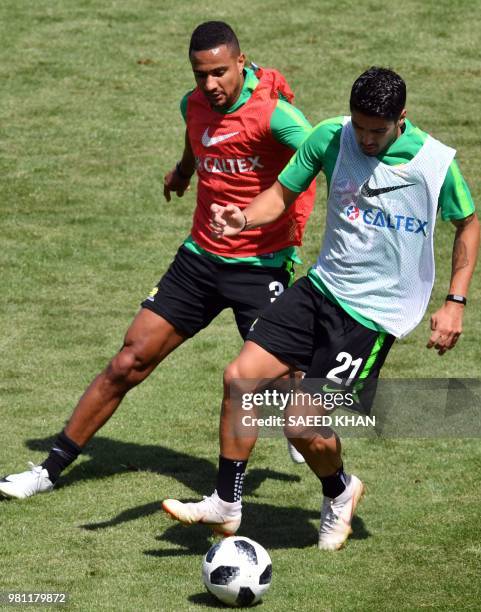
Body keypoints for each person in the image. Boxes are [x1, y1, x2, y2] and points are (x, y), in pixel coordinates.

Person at [162, 67, 479, 551]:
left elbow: (468, 224)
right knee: (239, 378)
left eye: (378, 130)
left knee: (301, 423)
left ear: (401, 120)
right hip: (322, 288)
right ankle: (226, 503)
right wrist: (244, 216)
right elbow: (283, 194)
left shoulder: (434, 163)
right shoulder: (331, 136)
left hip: (373, 315)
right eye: (360, 127)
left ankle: (339, 491)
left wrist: (454, 301)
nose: (366, 139)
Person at [0, 21, 315, 499]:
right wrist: (183, 173)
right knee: (129, 361)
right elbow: (199, 139)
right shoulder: (193, 104)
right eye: (200, 74)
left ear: (241, 62)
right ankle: (47, 470)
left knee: (279, 386)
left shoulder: (276, 116)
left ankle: (311, 460)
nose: (210, 86)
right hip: (200, 261)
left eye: (219, 73)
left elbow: (325, 153)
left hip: (262, 266)